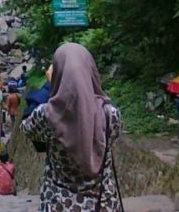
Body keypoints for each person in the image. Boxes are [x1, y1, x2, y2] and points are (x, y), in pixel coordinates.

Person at [21, 42, 122, 212]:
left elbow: (26, 127)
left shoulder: (47, 116)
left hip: (59, 205)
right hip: (102, 203)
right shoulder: (111, 115)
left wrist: (50, 87)